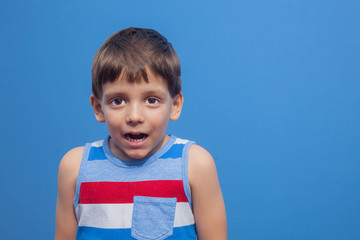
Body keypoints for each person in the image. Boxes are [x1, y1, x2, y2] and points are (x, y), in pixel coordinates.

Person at [55, 27, 227, 240]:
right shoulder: (75, 167)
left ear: (175, 105)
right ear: (98, 108)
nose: (134, 116)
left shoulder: (195, 165)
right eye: (118, 101)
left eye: (151, 100)